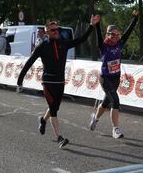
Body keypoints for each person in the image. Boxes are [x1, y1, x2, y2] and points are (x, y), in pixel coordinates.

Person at [17, 15, 100, 148]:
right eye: (53, 30)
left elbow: (82, 39)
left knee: (55, 107)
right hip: (48, 82)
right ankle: (59, 138)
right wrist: (20, 79)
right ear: (47, 33)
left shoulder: (63, 43)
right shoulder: (41, 46)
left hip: (60, 81)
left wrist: (92, 26)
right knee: (54, 110)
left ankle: (43, 120)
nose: (57, 32)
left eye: (57, 30)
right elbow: (29, 62)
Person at [89, 10, 138, 139]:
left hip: (116, 78)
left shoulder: (120, 44)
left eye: (118, 34)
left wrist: (135, 19)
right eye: (113, 35)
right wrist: (97, 24)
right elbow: (99, 36)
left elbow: (129, 31)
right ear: (108, 34)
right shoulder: (103, 46)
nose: (116, 37)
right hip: (105, 78)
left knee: (105, 103)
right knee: (115, 101)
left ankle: (95, 118)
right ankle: (115, 129)